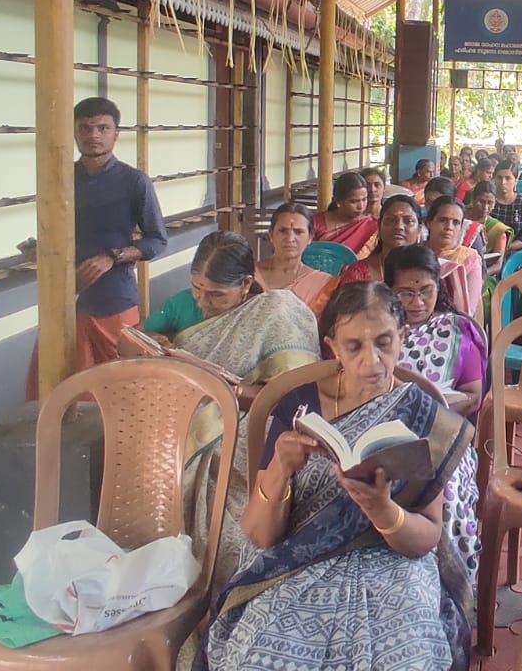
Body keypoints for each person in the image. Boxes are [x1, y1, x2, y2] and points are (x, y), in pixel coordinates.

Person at [201, 282, 474, 671]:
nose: (372, 361)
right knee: (261, 654)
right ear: (332, 346)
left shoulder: (423, 415)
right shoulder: (299, 406)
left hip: (391, 562)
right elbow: (260, 536)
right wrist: (280, 468)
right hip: (297, 560)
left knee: (406, 654)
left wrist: (383, 511)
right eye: (354, 347)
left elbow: (427, 536)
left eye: (384, 343)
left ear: (403, 337)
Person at [161, 232, 320, 591]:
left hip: (258, 428)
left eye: (216, 294)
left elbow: (295, 397)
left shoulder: (279, 311)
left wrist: (232, 392)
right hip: (205, 422)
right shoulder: (198, 315)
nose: (203, 303)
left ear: (247, 283)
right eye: (197, 289)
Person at [24, 96, 168, 399]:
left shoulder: (135, 182)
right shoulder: (59, 179)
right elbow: (54, 233)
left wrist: (112, 257)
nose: (93, 135)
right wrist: (41, 250)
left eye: (102, 128)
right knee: (57, 390)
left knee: (124, 389)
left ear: (116, 134)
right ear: (74, 133)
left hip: (113, 301)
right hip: (63, 302)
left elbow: (157, 240)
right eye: (85, 128)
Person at [385, 246, 484, 585]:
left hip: (446, 437)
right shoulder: (381, 335)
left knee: (445, 485)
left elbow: (472, 396)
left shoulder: (457, 331)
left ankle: (448, 585)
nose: (416, 302)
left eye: (425, 291)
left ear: (438, 289)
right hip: (386, 434)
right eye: (405, 293)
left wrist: (425, 410)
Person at [255, 202, 339, 317]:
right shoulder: (251, 275)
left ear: (310, 238)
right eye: (283, 231)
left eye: (298, 232)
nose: (290, 239)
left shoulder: (323, 284)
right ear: (271, 235)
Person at [339, 195, 422, 285]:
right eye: (390, 220)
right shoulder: (358, 273)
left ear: (419, 229)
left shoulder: (428, 271)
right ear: (379, 225)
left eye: (408, 221)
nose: (399, 226)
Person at [425, 196, 485, 322]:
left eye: (455, 222)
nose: (449, 227)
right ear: (429, 222)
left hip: (454, 326)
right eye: (443, 220)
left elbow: (467, 311)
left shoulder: (469, 259)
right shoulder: (416, 254)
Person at [314, 172, 379, 255]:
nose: (361, 206)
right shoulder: (316, 223)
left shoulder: (372, 226)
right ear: (338, 201)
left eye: (364, 199)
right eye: (354, 201)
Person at [490, 161, 522, 251]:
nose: (503, 182)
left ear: (515, 180)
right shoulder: (489, 201)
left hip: (518, 251)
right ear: (494, 179)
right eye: (499, 178)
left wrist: (506, 247)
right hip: (490, 250)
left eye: (508, 178)